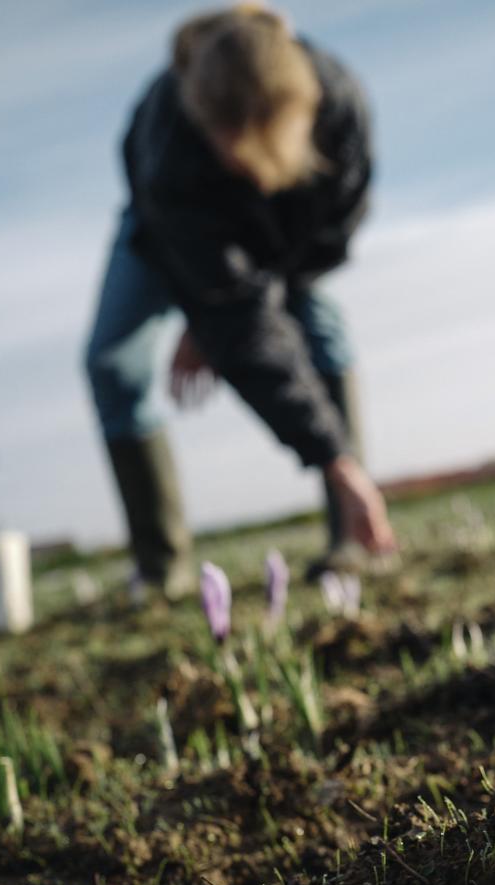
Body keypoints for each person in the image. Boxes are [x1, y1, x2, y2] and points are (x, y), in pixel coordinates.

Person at [84, 4, 395, 599]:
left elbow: (333, 232)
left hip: (287, 244)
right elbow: (239, 321)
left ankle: (351, 536)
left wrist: (246, 300)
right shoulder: (169, 149)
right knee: (111, 362)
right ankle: (160, 565)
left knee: (319, 331)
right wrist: (209, 312)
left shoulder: (340, 105)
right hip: (165, 232)